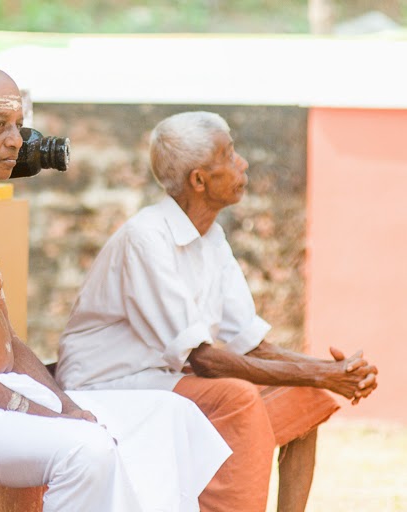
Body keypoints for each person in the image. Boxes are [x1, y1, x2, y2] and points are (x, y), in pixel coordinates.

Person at [0, 62, 231, 512]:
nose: (17, 140)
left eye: (17, 124)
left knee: (172, 416)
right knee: (86, 449)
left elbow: (9, 341)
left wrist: (65, 406)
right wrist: (44, 414)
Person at [55, 111, 380, 512]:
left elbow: (253, 345)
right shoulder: (146, 237)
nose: (242, 163)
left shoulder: (212, 235)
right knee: (236, 398)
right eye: (229, 155)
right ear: (198, 180)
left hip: (169, 378)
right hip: (108, 384)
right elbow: (205, 361)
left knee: (307, 397)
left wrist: (330, 373)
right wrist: (323, 372)